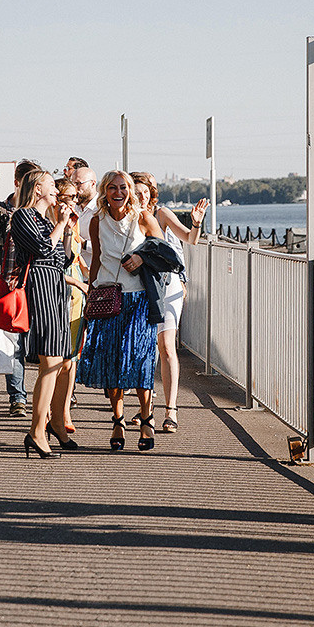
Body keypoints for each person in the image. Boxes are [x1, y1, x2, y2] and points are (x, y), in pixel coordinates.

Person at [77, 170, 164, 452]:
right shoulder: (96, 221)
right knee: (112, 361)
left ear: (130, 190)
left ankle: (147, 418)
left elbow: (164, 252)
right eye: (112, 187)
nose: (118, 192)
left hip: (139, 299)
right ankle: (118, 419)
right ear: (104, 190)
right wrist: (90, 294)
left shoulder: (143, 218)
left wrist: (142, 257)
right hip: (107, 298)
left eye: (123, 187)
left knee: (140, 360)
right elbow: (97, 259)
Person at [130, 172, 208, 433]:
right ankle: (146, 409)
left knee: (166, 347)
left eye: (144, 192)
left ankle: (171, 409)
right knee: (143, 348)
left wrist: (196, 223)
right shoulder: (128, 217)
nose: (140, 197)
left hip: (168, 286)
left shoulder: (161, 214)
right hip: (139, 286)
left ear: (151, 195)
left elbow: (190, 239)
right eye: (135, 191)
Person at [9, 170, 76, 458]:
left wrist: (68, 230)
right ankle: (37, 431)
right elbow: (42, 248)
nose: (57, 190)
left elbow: (64, 257)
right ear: (38, 189)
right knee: (50, 360)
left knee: (60, 361)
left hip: (56, 289)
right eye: (51, 184)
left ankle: (51, 426)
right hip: (40, 290)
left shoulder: (44, 219)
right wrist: (60, 224)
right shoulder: (23, 216)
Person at [0, 159, 44, 416]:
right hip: (10, 285)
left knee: (37, 344)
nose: (36, 191)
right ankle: (18, 397)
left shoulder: (43, 212)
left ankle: (49, 397)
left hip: (38, 287)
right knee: (14, 343)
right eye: (32, 185)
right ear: (18, 183)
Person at [55, 176, 89, 433]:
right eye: (69, 198)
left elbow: (75, 259)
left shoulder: (74, 222)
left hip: (77, 295)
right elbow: (56, 265)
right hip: (59, 293)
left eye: (76, 198)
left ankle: (65, 409)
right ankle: (49, 412)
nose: (74, 203)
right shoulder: (51, 222)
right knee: (56, 358)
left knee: (73, 358)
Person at [72, 166, 99, 276]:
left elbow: (110, 246)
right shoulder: (72, 207)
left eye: (79, 183)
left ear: (93, 183)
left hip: (95, 274)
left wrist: (83, 244)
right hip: (75, 274)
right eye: (73, 184)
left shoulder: (102, 209)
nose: (76, 188)